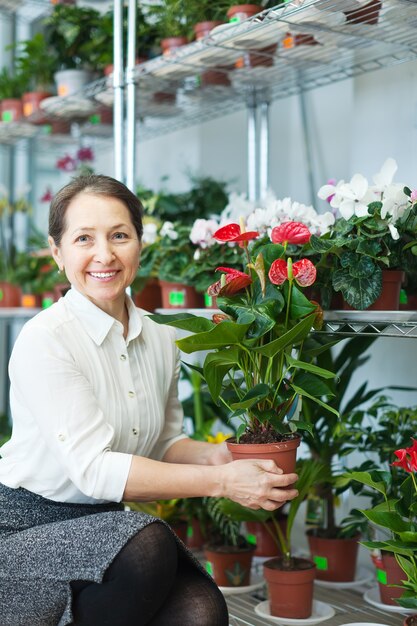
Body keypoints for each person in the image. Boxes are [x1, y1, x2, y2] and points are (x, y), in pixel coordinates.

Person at [0, 174, 298, 626]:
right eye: (84, 238)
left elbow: (162, 443)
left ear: (140, 244)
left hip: (105, 530)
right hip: (23, 531)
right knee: (149, 542)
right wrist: (223, 484)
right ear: (58, 253)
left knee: (202, 612)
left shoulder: (158, 337)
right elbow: (97, 470)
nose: (105, 255)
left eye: (119, 235)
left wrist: (223, 458)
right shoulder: (46, 340)